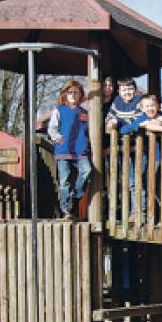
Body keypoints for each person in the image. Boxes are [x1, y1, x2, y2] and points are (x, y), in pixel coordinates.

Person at [47, 79, 91, 219]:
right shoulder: (59, 110)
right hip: (64, 150)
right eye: (69, 92)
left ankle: (75, 196)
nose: (72, 95)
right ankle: (65, 210)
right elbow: (52, 128)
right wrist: (57, 137)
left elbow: (89, 130)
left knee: (87, 170)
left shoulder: (84, 113)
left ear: (80, 94)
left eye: (75, 92)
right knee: (64, 181)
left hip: (80, 150)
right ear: (65, 94)